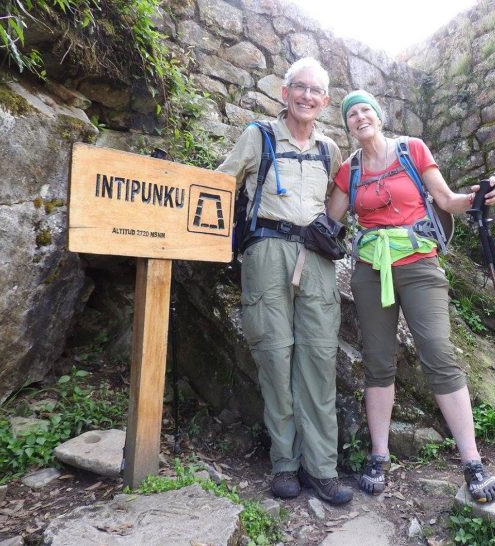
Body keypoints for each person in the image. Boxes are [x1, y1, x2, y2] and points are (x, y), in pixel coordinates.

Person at [327, 90, 495, 503]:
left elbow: (445, 200)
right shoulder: (348, 171)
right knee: (377, 361)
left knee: (439, 353)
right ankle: (379, 455)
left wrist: (475, 198)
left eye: (365, 109)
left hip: (420, 264)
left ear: (379, 115)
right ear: (347, 126)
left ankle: (472, 461)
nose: (358, 117)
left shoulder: (412, 149)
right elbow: (329, 221)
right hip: (371, 272)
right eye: (351, 114)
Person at [218, 57, 353, 505]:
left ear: (325, 100)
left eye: (317, 91)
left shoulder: (329, 149)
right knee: (274, 357)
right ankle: (284, 463)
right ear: (284, 91)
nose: (308, 97)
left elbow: (343, 200)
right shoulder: (257, 136)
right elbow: (218, 186)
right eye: (301, 88)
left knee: (317, 358)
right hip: (266, 253)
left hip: (315, 258)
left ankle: (323, 468)